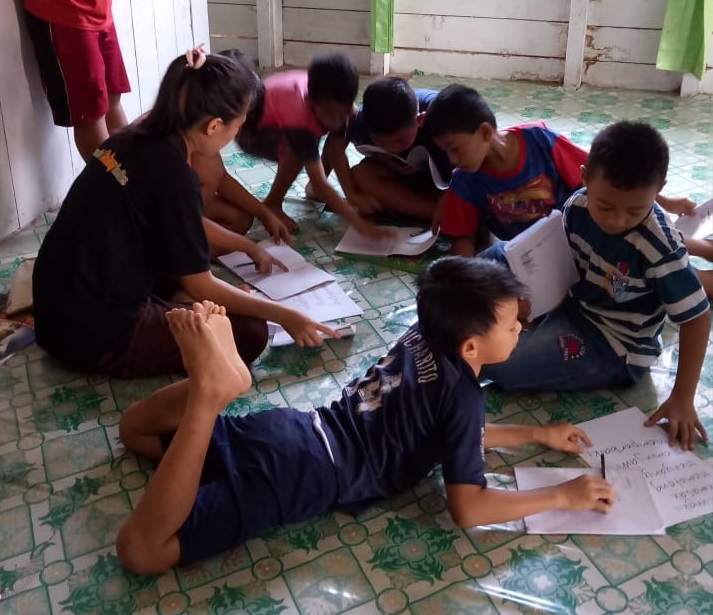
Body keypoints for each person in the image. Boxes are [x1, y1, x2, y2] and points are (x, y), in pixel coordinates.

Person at [115, 259, 617, 574]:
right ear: (471, 346)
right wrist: (562, 494)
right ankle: (211, 392)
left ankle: (213, 385)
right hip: (304, 474)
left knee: (136, 431)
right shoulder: (464, 396)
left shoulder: (421, 336)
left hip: (294, 429)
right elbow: (468, 509)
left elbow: (451, 433)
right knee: (143, 551)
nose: (520, 329)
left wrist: (536, 434)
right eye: (511, 325)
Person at [32, 49, 338, 379]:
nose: (237, 134)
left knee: (194, 282)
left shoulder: (129, 138)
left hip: (54, 303)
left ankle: (178, 305)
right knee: (250, 332)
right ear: (214, 126)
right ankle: (160, 320)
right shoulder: (175, 175)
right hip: (93, 333)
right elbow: (201, 284)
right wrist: (286, 315)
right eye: (238, 125)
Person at [480, 121, 710, 451]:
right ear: (585, 178)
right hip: (573, 303)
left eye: (635, 210)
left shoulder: (660, 248)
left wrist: (683, 398)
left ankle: (476, 335)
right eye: (605, 206)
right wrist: (531, 298)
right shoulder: (577, 205)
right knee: (495, 256)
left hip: (614, 344)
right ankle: (471, 320)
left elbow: (697, 318)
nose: (616, 220)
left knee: (501, 363)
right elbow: (561, 260)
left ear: (659, 189)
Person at [423, 84, 701, 257]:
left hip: (584, 225)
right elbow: (463, 241)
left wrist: (665, 201)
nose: (451, 159)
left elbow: (609, 177)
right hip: (533, 254)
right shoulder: (465, 181)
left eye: (455, 148)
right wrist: (466, 283)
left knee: (637, 244)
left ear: (485, 132)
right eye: (446, 152)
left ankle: (701, 250)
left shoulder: (539, 141)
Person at [236, 53, 383, 237]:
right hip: (253, 133)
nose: (336, 121)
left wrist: (351, 194)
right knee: (298, 151)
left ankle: (316, 192)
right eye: (329, 113)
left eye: (342, 112)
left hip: (285, 117)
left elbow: (337, 151)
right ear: (311, 101)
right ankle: (273, 202)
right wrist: (357, 222)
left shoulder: (337, 104)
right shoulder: (300, 119)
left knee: (351, 116)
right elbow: (319, 180)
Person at [314, 77, 453, 221]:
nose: (392, 148)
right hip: (406, 183)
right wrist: (352, 194)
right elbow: (335, 145)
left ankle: (440, 210)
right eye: (381, 142)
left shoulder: (441, 119)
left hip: (447, 181)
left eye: (399, 140)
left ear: (419, 120)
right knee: (360, 175)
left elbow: (466, 161)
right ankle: (437, 212)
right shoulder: (363, 125)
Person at [23, 0, 131, 162]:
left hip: (100, 11)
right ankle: (115, 176)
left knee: (112, 99)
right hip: (64, 14)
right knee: (89, 116)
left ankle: (131, 172)